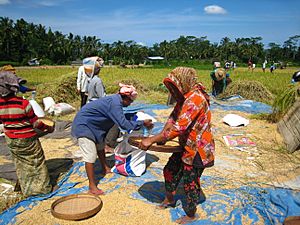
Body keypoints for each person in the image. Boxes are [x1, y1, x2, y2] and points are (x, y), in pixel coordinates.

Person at [139, 67, 215, 224]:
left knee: (190, 182)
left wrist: (152, 139)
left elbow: (179, 127)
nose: (173, 91)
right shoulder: (185, 98)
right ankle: (170, 199)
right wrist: (162, 135)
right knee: (170, 170)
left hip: (197, 150)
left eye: (174, 86)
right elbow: (173, 119)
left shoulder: (195, 98)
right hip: (185, 145)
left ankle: (191, 214)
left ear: (183, 82)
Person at [71, 83, 153, 195]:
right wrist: (142, 123)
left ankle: (105, 168)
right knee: (90, 156)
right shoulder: (115, 103)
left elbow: (119, 116)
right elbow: (123, 124)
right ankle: (92, 186)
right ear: (125, 98)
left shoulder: (115, 101)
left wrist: (134, 114)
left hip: (95, 127)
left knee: (100, 147)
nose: (130, 104)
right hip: (84, 126)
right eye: (130, 101)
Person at [0, 70, 54, 197]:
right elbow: (36, 123)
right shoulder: (23, 103)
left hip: (11, 139)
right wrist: (47, 128)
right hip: (27, 139)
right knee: (36, 162)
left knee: (20, 164)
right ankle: (41, 189)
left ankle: (27, 189)